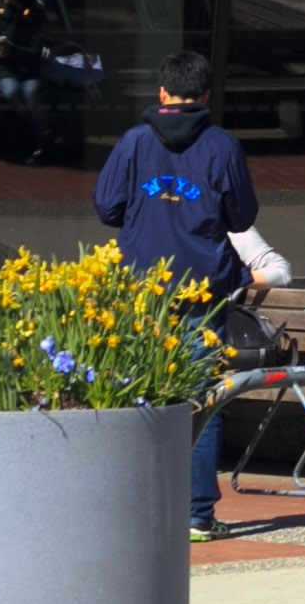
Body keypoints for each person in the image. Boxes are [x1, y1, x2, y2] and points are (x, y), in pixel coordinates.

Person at [94, 50, 263, 542]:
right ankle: (195, 515)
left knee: (137, 392)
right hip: (202, 289)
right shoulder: (223, 146)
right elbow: (241, 217)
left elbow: (107, 207)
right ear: (205, 95)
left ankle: (136, 509)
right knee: (200, 399)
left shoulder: (134, 142)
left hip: (143, 288)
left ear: (162, 92)